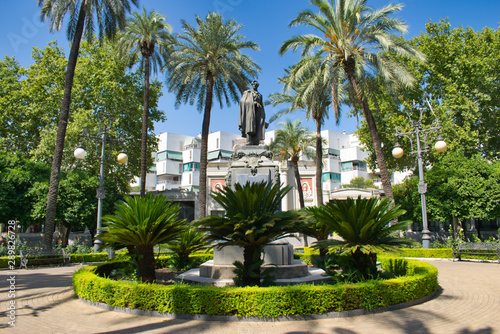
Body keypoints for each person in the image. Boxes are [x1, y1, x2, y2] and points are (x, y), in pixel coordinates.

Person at [239, 80, 267, 145]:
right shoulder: (248, 93)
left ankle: (256, 141)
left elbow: (262, 105)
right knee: (249, 126)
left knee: (258, 127)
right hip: (249, 113)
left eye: (256, 85)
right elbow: (242, 102)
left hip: (258, 113)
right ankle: (249, 141)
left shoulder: (260, 95)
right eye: (253, 84)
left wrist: (263, 115)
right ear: (252, 85)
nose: (255, 86)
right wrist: (253, 103)